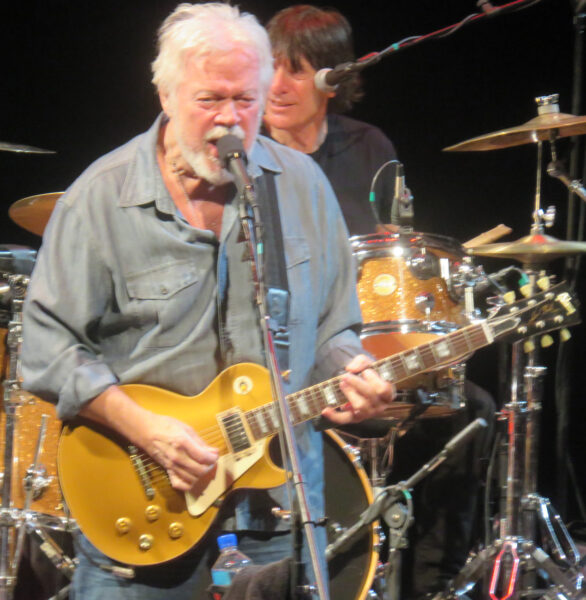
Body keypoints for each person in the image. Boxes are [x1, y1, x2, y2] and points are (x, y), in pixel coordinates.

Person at [20, 3, 395, 599]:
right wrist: (148, 430)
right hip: (145, 505)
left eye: (246, 101)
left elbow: (332, 328)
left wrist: (350, 369)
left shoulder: (302, 186)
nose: (229, 120)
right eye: (209, 100)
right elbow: (45, 349)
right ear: (166, 96)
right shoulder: (101, 198)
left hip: (276, 506)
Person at [263, 6, 496, 600]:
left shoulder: (370, 149)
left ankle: (429, 583)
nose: (277, 86)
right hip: (282, 360)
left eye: (296, 72)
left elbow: (394, 261)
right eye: (270, 69)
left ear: (333, 80)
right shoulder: (244, 159)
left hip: (368, 352)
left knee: (470, 409)